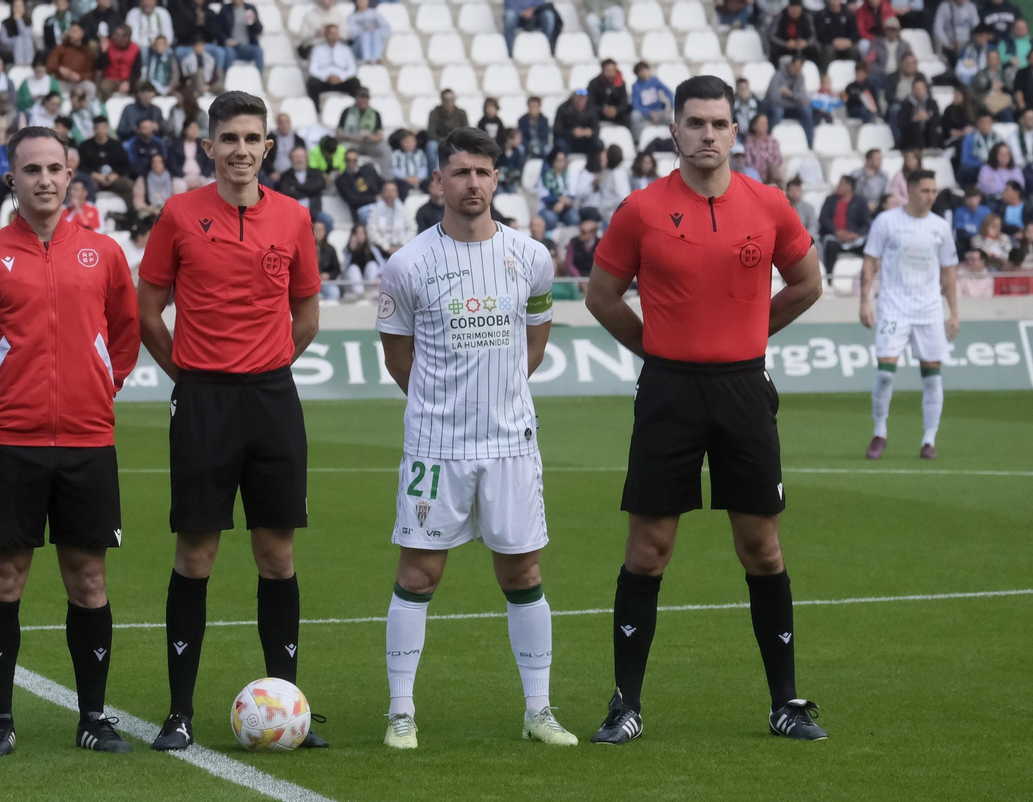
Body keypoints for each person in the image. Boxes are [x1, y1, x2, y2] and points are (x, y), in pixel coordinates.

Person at [585, 76, 827, 746]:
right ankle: (625, 705)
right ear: (674, 130)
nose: (708, 135)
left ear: (736, 132)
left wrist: (752, 333)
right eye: (696, 123)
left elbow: (808, 282)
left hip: (744, 391)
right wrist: (657, 347)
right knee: (649, 547)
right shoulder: (641, 209)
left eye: (720, 124)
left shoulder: (768, 204)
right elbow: (603, 295)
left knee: (761, 545)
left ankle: (786, 703)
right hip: (669, 392)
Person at [0, 124, 138, 757]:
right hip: (12, 443)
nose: (45, 180)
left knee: (89, 580)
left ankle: (94, 717)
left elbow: (125, 338)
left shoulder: (104, 254)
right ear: (11, 179)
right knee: (5, 577)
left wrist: (100, 389)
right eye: (32, 170)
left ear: (70, 174)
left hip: (87, 442)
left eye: (55, 168)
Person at [375, 124, 575, 751]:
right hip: (436, 447)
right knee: (420, 571)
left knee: (523, 572)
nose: (473, 184)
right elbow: (397, 358)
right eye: (460, 172)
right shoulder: (407, 265)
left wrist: (501, 392)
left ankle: (538, 709)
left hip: (511, 444)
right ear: (438, 180)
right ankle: (401, 712)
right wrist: (444, 407)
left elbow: (535, 338)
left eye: (484, 173)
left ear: (497, 179)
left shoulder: (531, 256)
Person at [135, 91, 323, 752]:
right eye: (229, 138)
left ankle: (290, 709)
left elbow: (306, 316)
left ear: (268, 146)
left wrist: (265, 365)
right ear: (209, 145)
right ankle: (179, 712)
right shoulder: (181, 215)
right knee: (197, 553)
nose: (241, 149)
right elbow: (148, 309)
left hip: (272, 400)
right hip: (204, 400)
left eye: (252, 138)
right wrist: (186, 373)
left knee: (277, 554)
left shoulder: (295, 218)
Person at [859, 170, 958, 460]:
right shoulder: (887, 221)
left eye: (934, 191)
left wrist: (954, 312)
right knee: (885, 374)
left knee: (931, 377)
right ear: (911, 191)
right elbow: (870, 262)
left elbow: (949, 271)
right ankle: (880, 433)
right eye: (926, 190)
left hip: (928, 309)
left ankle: (929, 440)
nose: (931, 196)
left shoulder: (940, 227)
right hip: (893, 307)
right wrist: (865, 301)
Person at [820, 175, 872, 274]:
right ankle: (829, 278)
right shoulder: (830, 200)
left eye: (841, 183)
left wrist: (855, 235)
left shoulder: (860, 202)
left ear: (849, 186)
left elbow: (866, 224)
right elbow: (823, 219)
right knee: (830, 246)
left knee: (869, 247)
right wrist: (836, 231)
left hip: (854, 240)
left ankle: (866, 275)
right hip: (834, 237)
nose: (838, 186)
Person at [78, 117, 133, 208]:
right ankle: (89, 212)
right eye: (97, 128)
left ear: (107, 128)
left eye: (102, 127)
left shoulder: (116, 145)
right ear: (94, 129)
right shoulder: (85, 146)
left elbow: (125, 165)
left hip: (113, 178)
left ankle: (128, 214)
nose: (100, 131)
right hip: (94, 178)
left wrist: (115, 176)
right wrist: (95, 175)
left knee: (128, 185)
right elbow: (82, 166)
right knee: (86, 185)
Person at [305, 24, 359, 114]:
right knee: (312, 83)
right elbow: (312, 69)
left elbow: (352, 69)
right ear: (325, 35)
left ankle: (355, 110)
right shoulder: (317, 50)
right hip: (324, 81)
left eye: (335, 33)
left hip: (341, 81)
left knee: (355, 82)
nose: (333, 36)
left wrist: (341, 77)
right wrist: (326, 77)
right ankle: (315, 111)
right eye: (331, 33)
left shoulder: (346, 50)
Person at [767, 56, 816, 141]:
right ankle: (768, 138)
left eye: (800, 68)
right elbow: (774, 99)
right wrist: (795, 101)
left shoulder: (800, 77)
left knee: (806, 110)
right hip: (776, 107)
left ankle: (810, 142)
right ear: (790, 65)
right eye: (796, 67)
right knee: (778, 112)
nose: (798, 70)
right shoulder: (777, 76)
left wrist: (790, 95)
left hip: (791, 107)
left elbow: (803, 99)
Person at [214, 0, 265, 74]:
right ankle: (227, 78)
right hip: (232, 47)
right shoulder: (226, 9)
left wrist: (253, 21)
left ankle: (259, 78)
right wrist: (226, 40)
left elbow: (259, 30)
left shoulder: (250, 8)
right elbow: (218, 29)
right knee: (229, 53)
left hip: (248, 46)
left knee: (259, 52)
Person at [336, 148, 384, 223]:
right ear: (344, 160)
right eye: (348, 160)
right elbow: (353, 199)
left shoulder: (368, 170)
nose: (351, 163)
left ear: (357, 160)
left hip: (379, 204)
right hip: (361, 209)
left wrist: (383, 195)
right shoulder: (341, 180)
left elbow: (382, 183)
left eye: (354, 160)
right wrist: (374, 198)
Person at [277, 144, 325, 217]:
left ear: (306, 158)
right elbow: (286, 193)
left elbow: (319, 187)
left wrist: (296, 188)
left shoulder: (316, 173)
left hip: (314, 212)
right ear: (291, 159)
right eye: (296, 157)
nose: (299, 160)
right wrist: (309, 191)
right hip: (292, 213)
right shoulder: (285, 176)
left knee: (327, 221)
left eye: (301, 157)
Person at [94, 24, 140, 100]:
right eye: (115, 34)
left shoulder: (135, 49)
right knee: (104, 87)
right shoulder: (107, 44)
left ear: (126, 38)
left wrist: (128, 82)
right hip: (110, 78)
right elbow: (99, 66)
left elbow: (137, 71)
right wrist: (103, 52)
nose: (114, 37)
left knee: (139, 86)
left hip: (127, 79)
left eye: (118, 35)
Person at [367, 180, 414, 254]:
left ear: (397, 193)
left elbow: (412, 228)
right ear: (382, 193)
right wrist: (386, 247)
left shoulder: (404, 209)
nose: (390, 194)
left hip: (403, 248)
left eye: (393, 191)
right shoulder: (375, 211)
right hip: (381, 250)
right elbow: (372, 232)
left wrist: (402, 245)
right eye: (387, 191)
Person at [536, 149, 578, 229]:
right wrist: (558, 200)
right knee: (551, 219)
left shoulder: (569, 175)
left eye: (563, 160)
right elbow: (544, 196)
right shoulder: (545, 176)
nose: (561, 163)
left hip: (565, 207)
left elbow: (572, 194)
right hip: (548, 207)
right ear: (553, 161)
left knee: (574, 218)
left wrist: (562, 203)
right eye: (558, 160)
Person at [629, 61, 673, 138]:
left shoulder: (655, 80)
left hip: (658, 110)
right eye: (641, 71)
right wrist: (649, 112)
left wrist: (672, 104)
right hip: (645, 113)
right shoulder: (635, 86)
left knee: (672, 117)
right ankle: (638, 139)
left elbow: (668, 91)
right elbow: (635, 105)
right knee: (634, 116)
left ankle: (674, 138)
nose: (644, 73)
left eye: (645, 70)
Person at [341, 222, 385, 296]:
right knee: (353, 268)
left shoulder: (372, 249)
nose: (360, 236)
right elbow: (344, 268)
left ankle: (371, 292)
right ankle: (359, 294)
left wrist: (379, 276)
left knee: (372, 265)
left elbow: (382, 265)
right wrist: (351, 249)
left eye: (362, 233)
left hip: (368, 281)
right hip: (351, 282)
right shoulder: (347, 250)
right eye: (358, 233)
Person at [553, 90, 602, 157]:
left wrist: (590, 132)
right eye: (579, 97)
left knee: (599, 144)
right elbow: (557, 130)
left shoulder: (591, 109)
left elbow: (596, 128)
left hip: (585, 141)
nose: (581, 100)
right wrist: (572, 132)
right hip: (569, 141)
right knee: (560, 144)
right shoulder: (563, 109)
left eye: (583, 97)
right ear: (573, 97)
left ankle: (594, 165)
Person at [895, 77, 941, 149]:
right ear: (913, 90)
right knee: (916, 126)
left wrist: (927, 117)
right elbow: (901, 123)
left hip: (928, 133)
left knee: (933, 127)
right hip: (910, 136)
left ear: (925, 89)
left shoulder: (932, 103)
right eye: (917, 89)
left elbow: (937, 119)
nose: (919, 91)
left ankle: (932, 148)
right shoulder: (906, 104)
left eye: (921, 88)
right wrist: (914, 119)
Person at [770, 0, 820, 64]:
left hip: (801, 46)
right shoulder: (781, 17)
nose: (794, 11)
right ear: (788, 8)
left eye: (797, 9)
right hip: (785, 46)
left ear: (801, 8)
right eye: (792, 8)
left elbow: (813, 35)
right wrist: (785, 43)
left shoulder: (807, 17)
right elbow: (772, 36)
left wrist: (806, 42)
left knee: (815, 50)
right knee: (774, 50)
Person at [933, 0, 980, 67]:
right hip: (950, 45)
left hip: (967, 45)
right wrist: (948, 44)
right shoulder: (945, 7)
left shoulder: (970, 6)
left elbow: (977, 27)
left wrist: (973, 43)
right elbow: (937, 29)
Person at [814, 0, 860, 68]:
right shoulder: (821, 15)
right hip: (830, 43)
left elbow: (855, 33)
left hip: (846, 43)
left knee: (854, 49)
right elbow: (820, 35)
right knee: (828, 50)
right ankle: (826, 73)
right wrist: (833, 41)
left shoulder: (849, 14)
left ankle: (855, 72)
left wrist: (849, 41)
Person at [589, 59, 631, 129]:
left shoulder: (620, 83)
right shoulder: (594, 84)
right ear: (603, 71)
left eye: (613, 71)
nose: (611, 74)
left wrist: (616, 110)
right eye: (608, 71)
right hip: (599, 113)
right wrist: (603, 110)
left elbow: (623, 102)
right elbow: (590, 102)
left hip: (616, 113)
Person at [135, 151, 176, 222]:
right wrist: (152, 210)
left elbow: (177, 199)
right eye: (154, 162)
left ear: (164, 164)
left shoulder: (172, 178)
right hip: (150, 211)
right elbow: (138, 202)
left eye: (159, 162)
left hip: (169, 210)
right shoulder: (143, 179)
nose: (157, 165)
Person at [743, 114, 783, 187]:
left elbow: (778, 160)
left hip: (771, 175)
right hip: (755, 177)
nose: (764, 126)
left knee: (773, 167)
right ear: (754, 126)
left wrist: (767, 169)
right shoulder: (749, 142)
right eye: (761, 123)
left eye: (766, 123)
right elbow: (748, 163)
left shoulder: (773, 141)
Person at [348, 0, 389, 65]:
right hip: (358, 47)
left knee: (376, 33)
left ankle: (376, 58)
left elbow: (386, 28)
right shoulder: (352, 17)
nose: (362, 2)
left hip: (374, 40)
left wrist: (373, 30)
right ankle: (367, 59)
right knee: (365, 35)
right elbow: (351, 34)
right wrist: (364, 29)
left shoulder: (375, 13)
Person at [391, 130, 428, 197]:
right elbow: (395, 169)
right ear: (402, 142)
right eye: (407, 142)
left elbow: (424, 167)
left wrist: (418, 178)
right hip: (403, 180)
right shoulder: (396, 154)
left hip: (418, 179)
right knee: (401, 187)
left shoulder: (420, 153)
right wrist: (406, 178)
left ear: (415, 142)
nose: (409, 144)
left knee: (430, 185)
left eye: (412, 141)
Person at [2, 0, 37, 66]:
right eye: (16, 6)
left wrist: (19, 21)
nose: (18, 9)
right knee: (19, 40)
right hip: (11, 45)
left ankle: (29, 62)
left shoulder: (28, 21)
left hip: (25, 44)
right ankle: (19, 63)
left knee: (27, 39)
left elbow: (27, 35)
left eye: (20, 6)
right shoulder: (5, 22)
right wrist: (15, 40)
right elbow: (3, 40)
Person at [314, 219, 342, 299]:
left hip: (324, 282)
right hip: (309, 282)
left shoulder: (330, 249)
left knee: (334, 291)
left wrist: (328, 275)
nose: (318, 232)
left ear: (325, 232)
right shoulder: (305, 249)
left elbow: (336, 269)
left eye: (321, 230)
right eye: (316, 229)